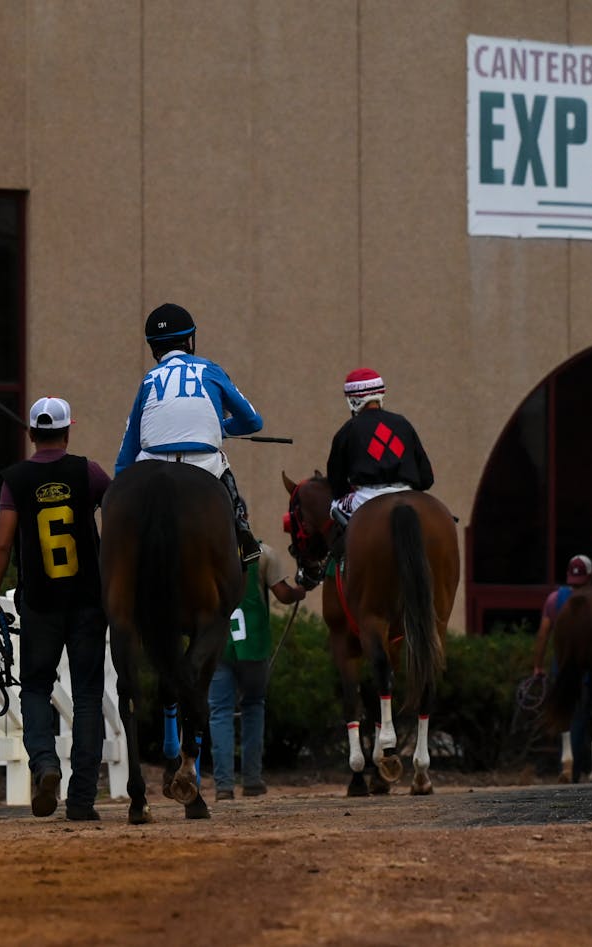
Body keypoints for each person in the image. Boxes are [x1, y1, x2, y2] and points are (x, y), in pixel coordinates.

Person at [0, 397, 109, 821]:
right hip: (88, 601)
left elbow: (3, 543)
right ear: (68, 431)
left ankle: (45, 764)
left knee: (35, 688)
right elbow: (117, 512)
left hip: (39, 603)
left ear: (32, 434)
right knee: (89, 696)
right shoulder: (88, 472)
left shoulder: (15, 480)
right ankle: (82, 799)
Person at [114, 302, 263, 564]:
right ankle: (243, 531)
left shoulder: (148, 381)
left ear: (153, 347)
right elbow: (252, 421)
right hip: (204, 465)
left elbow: (128, 449)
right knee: (224, 470)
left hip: (151, 466)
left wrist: (119, 487)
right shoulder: (211, 370)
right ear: (190, 340)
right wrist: (221, 429)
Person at [207, 540, 305, 801]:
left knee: (220, 712)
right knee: (253, 706)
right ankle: (252, 780)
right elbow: (283, 595)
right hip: (254, 646)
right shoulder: (264, 554)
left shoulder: (208, 551)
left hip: (218, 646)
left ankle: (223, 785)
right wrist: (300, 591)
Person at [324, 368, 434, 551]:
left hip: (366, 498)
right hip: (408, 492)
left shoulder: (348, 430)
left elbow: (337, 485)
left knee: (334, 507)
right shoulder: (403, 423)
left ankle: (341, 569)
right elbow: (427, 478)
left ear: (353, 400)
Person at [530, 554, 592, 677]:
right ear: (590, 577)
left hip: (561, 669)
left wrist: (538, 666)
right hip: (588, 673)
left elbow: (543, 635)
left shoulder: (554, 599)